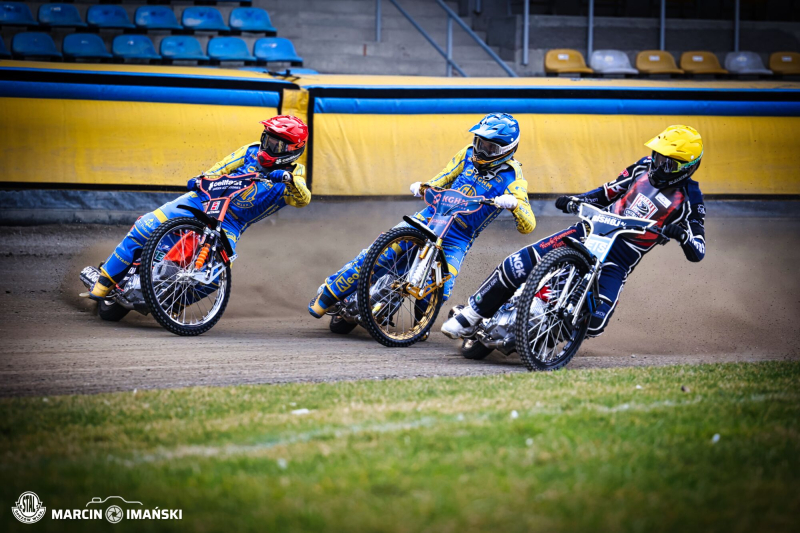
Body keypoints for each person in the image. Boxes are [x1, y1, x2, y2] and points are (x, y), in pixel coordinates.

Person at [441, 124, 707, 339]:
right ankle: (470, 316)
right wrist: (575, 200)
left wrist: (683, 236)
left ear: (688, 167)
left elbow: (698, 250)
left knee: (595, 323)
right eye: (657, 157)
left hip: (619, 259)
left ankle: (540, 337)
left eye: (668, 164)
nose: (658, 166)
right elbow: (607, 192)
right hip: (590, 230)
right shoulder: (642, 166)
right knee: (519, 263)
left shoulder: (690, 199)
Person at [308, 112, 537, 320]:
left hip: (458, 237)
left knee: (442, 287)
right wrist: (424, 186)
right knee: (378, 254)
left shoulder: (514, 178)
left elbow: (529, 225)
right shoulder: (467, 153)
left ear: (507, 149)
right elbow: (443, 178)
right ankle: (326, 297)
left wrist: (515, 205)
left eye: (490, 148)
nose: (482, 151)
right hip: (429, 217)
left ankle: (420, 324)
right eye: (480, 143)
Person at [84, 115, 311, 299]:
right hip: (203, 199)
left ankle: (173, 307)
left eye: (276, 144)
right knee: (146, 225)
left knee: (217, 275)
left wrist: (289, 180)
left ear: (292, 150)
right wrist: (201, 179)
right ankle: (103, 283)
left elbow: (303, 199)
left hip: (231, 223)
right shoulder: (250, 151)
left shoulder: (295, 175)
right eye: (267, 139)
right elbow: (219, 169)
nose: (268, 146)